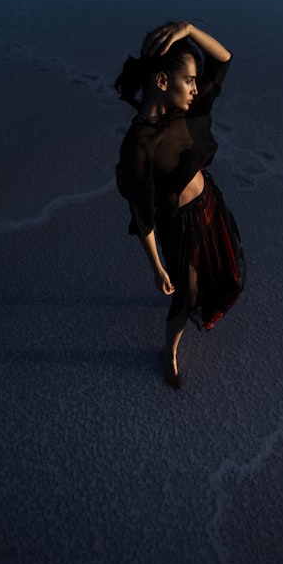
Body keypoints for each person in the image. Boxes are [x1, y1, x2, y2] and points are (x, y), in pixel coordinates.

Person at [115, 21, 245, 389]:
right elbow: (142, 216)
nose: (194, 87)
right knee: (186, 297)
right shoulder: (139, 146)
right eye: (188, 79)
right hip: (180, 225)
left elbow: (223, 59)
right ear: (160, 82)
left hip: (209, 206)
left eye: (194, 80)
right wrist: (157, 268)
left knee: (223, 271)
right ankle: (169, 351)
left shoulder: (187, 108)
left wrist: (188, 29)